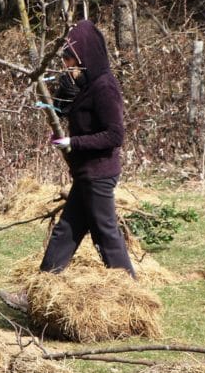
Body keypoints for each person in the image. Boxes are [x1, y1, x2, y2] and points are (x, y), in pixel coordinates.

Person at [39, 20, 136, 278]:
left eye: (70, 60)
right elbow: (73, 115)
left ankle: (131, 294)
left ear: (85, 56)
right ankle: (40, 289)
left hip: (99, 174)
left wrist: (74, 142)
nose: (67, 66)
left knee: (106, 234)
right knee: (67, 231)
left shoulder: (105, 87)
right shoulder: (88, 86)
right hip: (86, 173)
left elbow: (115, 135)